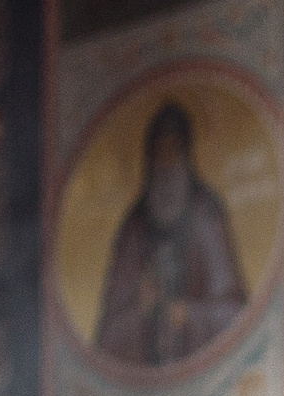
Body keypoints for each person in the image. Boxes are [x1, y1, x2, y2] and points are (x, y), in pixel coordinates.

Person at [95, 100, 249, 366]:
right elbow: (107, 335)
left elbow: (234, 314)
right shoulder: (135, 227)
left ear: (187, 154)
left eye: (174, 150)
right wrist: (139, 309)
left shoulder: (205, 214)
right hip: (145, 380)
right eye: (159, 152)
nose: (166, 163)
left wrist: (190, 315)